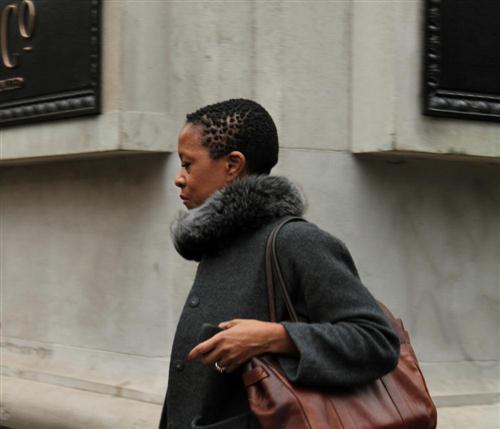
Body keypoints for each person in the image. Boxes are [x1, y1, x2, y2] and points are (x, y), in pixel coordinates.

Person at [159, 99, 400, 429]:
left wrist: (276, 337)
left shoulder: (295, 242)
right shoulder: (221, 241)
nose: (179, 178)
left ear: (232, 165)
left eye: (188, 164)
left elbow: (377, 341)